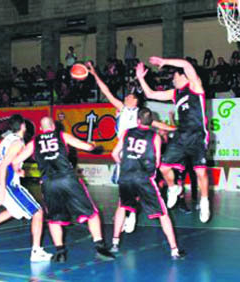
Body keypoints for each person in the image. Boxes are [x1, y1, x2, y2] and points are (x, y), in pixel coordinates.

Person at [86, 61, 174, 233]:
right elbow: (106, 90)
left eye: (131, 97)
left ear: (137, 102)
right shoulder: (122, 108)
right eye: (126, 97)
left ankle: (133, 213)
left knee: (137, 187)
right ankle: (130, 215)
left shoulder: (140, 116)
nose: (127, 98)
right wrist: (94, 73)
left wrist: (182, 128)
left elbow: (162, 126)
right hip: (124, 154)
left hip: (138, 156)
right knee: (124, 191)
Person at [13, 117, 115, 263]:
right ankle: (100, 248)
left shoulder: (34, 142)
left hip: (48, 183)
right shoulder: (62, 135)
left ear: (41, 129)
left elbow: (15, 161)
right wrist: (92, 145)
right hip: (67, 179)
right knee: (91, 213)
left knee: (54, 219)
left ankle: (60, 253)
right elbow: (87, 147)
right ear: (54, 126)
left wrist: (18, 170)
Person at [136, 57, 211, 223]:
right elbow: (150, 94)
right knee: (163, 167)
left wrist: (164, 61)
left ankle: (204, 201)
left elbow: (187, 64)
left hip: (197, 135)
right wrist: (141, 78)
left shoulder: (195, 86)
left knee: (200, 172)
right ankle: (173, 188)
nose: (173, 80)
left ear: (183, 76)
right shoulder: (175, 94)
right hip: (180, 135)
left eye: (174, 77)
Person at [0, 114, 52, 262]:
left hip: (4, 181)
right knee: (38, 212)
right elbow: (3, 165)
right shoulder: (18, 143)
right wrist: (2, 190)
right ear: (23, 126)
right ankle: (36, 251)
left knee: (13, 211)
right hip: (8, 185)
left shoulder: (8, 139)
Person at [110, 107, 184, 259]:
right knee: (163, 214)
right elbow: (157, 162)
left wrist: (122, 164)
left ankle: (115, 243)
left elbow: (114, 153)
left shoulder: (126, 132)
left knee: (121, 207)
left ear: (137, 120)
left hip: (126, 176)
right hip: (144, 178)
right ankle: (174, 250)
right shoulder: (154, 136)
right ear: (151, 122)